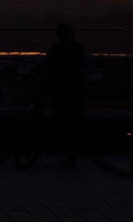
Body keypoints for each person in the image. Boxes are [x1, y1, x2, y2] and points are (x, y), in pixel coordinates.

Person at [43, 22, 88, 166]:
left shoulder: (54, 48)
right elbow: (87, 67)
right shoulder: (79, 49)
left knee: (63, 120)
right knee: (72, 120)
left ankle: (69, 152)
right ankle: (71, 153)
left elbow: (47, 66)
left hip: (59, 88)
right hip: (73, 89)